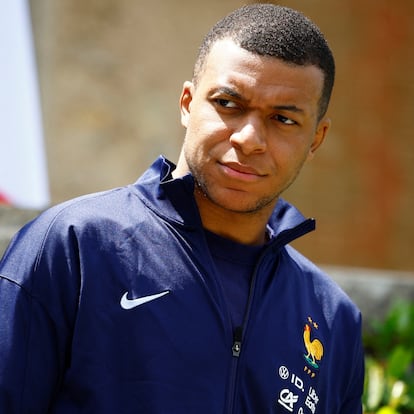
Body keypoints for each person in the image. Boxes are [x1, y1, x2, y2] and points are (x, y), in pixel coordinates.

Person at [0, 3, 364, 413]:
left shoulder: (333, 318)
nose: (249, 138)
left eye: (282, 119)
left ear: (316, 139)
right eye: (228, 103)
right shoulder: (74, 245)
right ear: (188, 103)